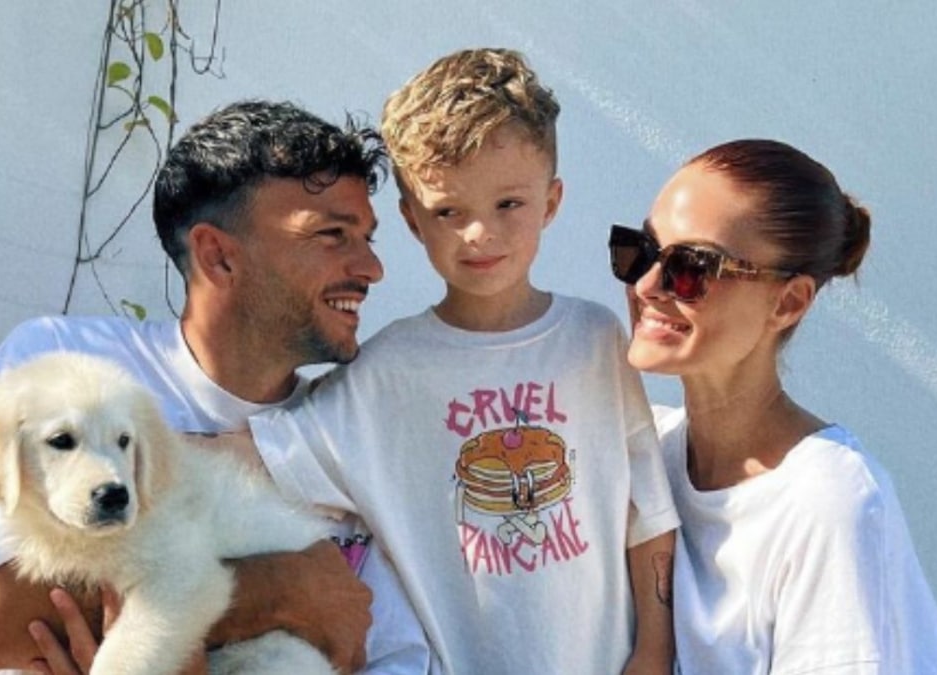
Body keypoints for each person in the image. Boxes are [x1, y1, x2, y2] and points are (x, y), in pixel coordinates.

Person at [0, 99, 432, 674]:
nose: (370, 268)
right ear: (218, 256)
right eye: (332, 235)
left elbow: (369, 646)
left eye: (367, 238)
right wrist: (288, 588)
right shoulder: (71, 367)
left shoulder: (356, 429)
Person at [247, 48, 680, 674]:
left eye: (509, 204)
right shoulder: (386, 372)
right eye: (449, 212)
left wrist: (654, 653)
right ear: (412, 220)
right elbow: (256, 457)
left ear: (551, 202)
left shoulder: (596, 339)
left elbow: (648, 511)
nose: (479, 233)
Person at [610, 139, 937, 673]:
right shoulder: (640, 451)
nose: (647, 285)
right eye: (643, 251)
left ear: (788, 303)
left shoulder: (828, 501)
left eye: (692, 267)